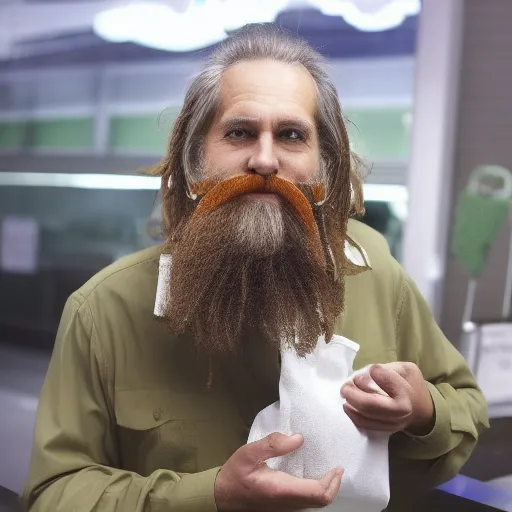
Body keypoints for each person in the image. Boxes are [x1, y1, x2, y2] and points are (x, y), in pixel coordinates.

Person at [22, 23, 489, 512]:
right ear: (194, 160)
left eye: (291, 135)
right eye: (240, 132)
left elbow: (466, 410)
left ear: (322, 165)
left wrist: (421, 411)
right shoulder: (105, 310)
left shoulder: (375, 270)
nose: (265, 160)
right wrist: (211, 496)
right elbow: (53, 493)